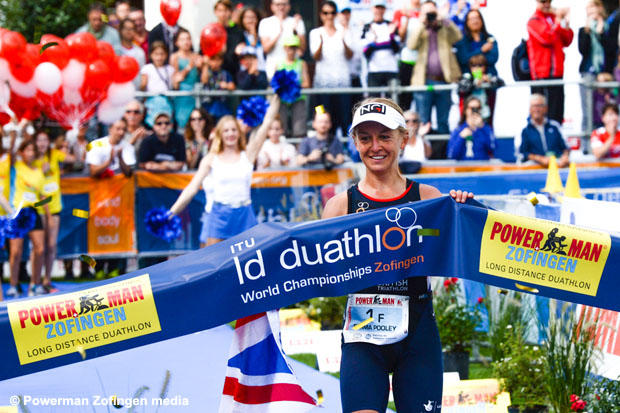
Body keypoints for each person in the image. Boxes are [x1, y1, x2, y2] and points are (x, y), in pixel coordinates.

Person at [321, 96, 473, 413]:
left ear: (403, 139)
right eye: (365, 138)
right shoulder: (339, 207)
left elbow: (457, 250)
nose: (375, 147)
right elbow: (319, 272)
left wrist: (461, 211)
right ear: (355, 143)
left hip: (418, 334)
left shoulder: (428, 199)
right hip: (363, 337)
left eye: (385, 137)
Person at [169, 95, 280, 247]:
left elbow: (267, 123)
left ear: (239, 133)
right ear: (220, 134)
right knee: (213, 258)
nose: (230, 134)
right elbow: (192, 188)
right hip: (219, 214)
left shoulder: (248, 154)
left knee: (251, 258)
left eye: (233, 130)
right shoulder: (210, 159)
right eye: (226, 130)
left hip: (244, 213)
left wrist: (278, 94)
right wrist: (171, 213)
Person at [408, 0, 462, 142]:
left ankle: (443, 151)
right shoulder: (420, 28)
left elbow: (458, 37)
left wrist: (443, 19)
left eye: (432, 12)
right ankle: (422, 151)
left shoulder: (444, 26)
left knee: (443, 122)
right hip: (423, 81)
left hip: (443, 80)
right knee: (423, 121)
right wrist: (422, 24)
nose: (430, 15)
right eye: (427, 12)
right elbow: (411, 45)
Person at [5, 140, 49, 299]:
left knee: (40, 249)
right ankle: (13, 286)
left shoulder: (39, 172)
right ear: (21, 152)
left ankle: (35, 285)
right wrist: (15, 135)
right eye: (27, 150)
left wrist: (48, 214)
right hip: (17, 211)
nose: (30, 153)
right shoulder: (15, 166)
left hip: (34, 211)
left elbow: (43, 196)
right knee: (16, 252)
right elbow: (10, 153)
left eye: (32, 150)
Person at [34, 130, 74, 293]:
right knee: (39, 247)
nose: (42, 143)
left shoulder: (54, 154)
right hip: (39, 207)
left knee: (51, 246)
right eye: (39, 140)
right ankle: (35, 282)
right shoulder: (32, 159)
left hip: (55, 206)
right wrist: (41, 172)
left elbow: (75, 159)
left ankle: (47, 281)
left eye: (45, 140)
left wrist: (72, 140)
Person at [526, 0, 573, 124]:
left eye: (549, 1)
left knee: (557, 115)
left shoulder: (553, 18)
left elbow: (567, 40)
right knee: (542, 116)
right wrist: (558, 21)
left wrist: (565, 23)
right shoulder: (533, 21)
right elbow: (547, 38)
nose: (547, 4)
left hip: (557, 73)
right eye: (543, 1)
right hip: (542, 76)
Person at [310, 1, 352, 135]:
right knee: (323, 117)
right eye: (326, 13)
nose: (329, 16)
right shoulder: (315, 33)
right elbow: (315, 57)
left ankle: (344, 146)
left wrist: (344, 40)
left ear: (336, 14)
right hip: (322, 85)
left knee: (345, 119)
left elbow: (350, 55)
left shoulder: (344, 31)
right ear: (321, 15)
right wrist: (321, 44)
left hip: (342, 84)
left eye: (332, 13)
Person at [578, 0, 608, 133]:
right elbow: (583, 50)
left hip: (605, 74)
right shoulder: (583, 30)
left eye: (593, 8)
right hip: (588, 72)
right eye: (588, 9)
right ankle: (587, 141)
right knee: (588, 110)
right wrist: (588, 30)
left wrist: (601, 33)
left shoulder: (608, 28)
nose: (591, 11)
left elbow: (610, 50)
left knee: (606, 108)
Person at [516, 94, 569, 167]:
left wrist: (565, 157)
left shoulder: (555, 126)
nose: (537, 109)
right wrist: (540, 159)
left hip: (557, 165)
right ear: (530, 109)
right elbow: (522, 153)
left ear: (545, 108)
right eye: (534, 106)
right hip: (533, 166)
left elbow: (565, 147)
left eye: (539, 106)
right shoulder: (524, 129)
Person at [258, 0, 306, 79]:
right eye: (278, 4)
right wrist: (279, 33)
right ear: (272, 6)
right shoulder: (265, 23)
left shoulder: (297, 21)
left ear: (289, 6)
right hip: (273, 68)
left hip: (293, 69)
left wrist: (295, 31)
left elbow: (302, 49)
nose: (281, 7)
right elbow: (266, 49)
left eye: (284, 4)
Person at [276, 35, 309, 138]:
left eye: (294, 48)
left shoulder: (301, 63)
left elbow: (307, 83)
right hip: (283, 100)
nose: (292, 51)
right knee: (282, 128)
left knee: (299, 129)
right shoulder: (279, 64)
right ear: (285, 48)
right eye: (289, 47)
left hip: (298, 98)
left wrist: (293, 86)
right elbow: (275, 83)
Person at [361, 0, 400, 89]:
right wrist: (374, 43)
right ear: (372, 9)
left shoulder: (391, 25)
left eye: (381, 8)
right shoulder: (367, 27)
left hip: (391, 70)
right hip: (374, 70)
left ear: (385, 9)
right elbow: (366, 53)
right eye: (377, 8)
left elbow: (396, 49)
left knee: (392, 98)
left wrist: (391, 37)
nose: (379, 11)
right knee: (373, 97)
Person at [171, 29, 202, 131]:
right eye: (182, 39)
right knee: (183, 125)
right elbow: (176, 80)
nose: (186, 42)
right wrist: (189, 66)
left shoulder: (197, 56)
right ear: (177, 42)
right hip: (182, 96)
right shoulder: (175, 57)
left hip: (195, 94)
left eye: (188, 39)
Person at [393, 0, 422, 110]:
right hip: (406, 60)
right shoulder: (400, 12)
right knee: (404, 99)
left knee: (421, 98)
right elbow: (400, 38)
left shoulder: (426, 11)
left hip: (423, 62)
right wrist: (406, 18)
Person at [447, 96, 495, 160]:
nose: (475, 111)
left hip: (482, 165)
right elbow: (451, 155)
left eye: (478, 108)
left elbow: (493, 148)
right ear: (465, 110)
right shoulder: (458, 130)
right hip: (463, 165)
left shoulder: (486, 129)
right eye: (472, 108)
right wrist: (461, 137)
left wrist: (482, 127)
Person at [140, 41, 174, 129]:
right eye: (156, 54)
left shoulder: (170, 69)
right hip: (152, 102)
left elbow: (174, 86)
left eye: (162, 54)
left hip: (166, 102)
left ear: (166, 55)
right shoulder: (147, 68)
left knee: (166, 124)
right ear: (151, 55)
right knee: (152, 124)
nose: (159, 57)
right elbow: (142, 86)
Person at [214, 0, 245, 79]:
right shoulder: (211, 30)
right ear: (215, 12)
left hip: (235, 72)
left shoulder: (238, 31)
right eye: (220, 10)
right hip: (216, 73)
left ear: (231, 12)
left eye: (226, 10)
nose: (223, 14)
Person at [201, 52, 235, 121]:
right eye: (212, 60)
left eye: (218, 60)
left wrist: (226, 85)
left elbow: (232, 86)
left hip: (222, 106)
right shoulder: (207, 72)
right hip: (209, 106)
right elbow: (204, 80)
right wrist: (206, 65)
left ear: (221, 61)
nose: (215, 62)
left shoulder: (225, 73)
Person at [235, 7, 266, 73]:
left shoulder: (263, 33)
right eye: (247, 17)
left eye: (253, 17)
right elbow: (238, 51)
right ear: (242, 19)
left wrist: (254, 33)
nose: (250, 20)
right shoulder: (238, 34)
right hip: (245, 72)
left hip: (262, 70)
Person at [118, 18, 146, 88]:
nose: (128, 31)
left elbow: (142, 73)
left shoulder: (140, 52)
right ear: (121, 30)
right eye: (126, 28)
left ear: (135, 31)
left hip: (136, 91)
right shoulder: (116, 50)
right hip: (119, 89)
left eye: (131, 29)